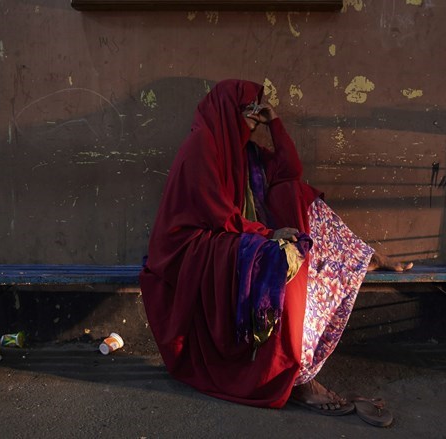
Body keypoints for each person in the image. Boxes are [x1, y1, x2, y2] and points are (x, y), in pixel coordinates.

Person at [139, 79, 412, 426]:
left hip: (229, 233)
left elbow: (290, 174)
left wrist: (276, 124)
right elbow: (215, 214)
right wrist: (268, 234)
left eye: (258, 108)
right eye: (248, 107)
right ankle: (291, 376)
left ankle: (355, 257)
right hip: (193, 244)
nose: (254, 114)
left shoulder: (246, 152)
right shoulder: (202, 144)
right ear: (226, 109)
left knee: (295, 195)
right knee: (274, 258)